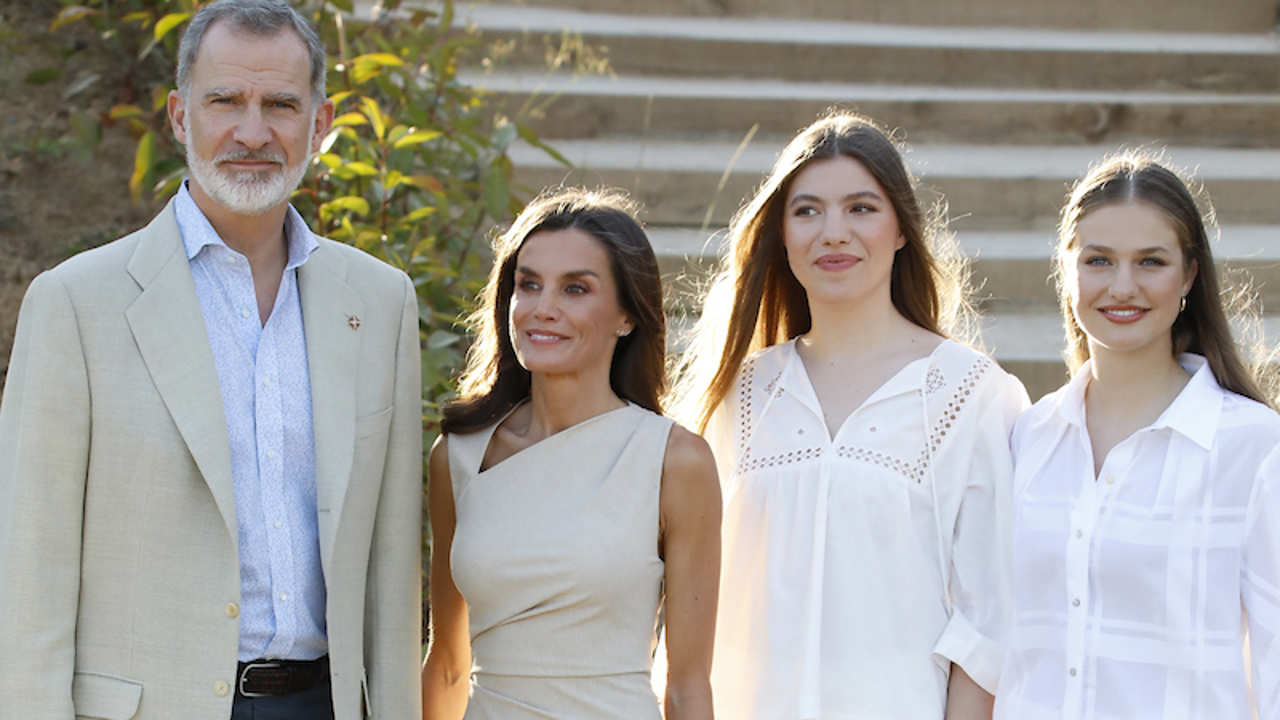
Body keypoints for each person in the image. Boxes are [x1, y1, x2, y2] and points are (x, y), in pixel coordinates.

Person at [0, 2, 422, 718]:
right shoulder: (74, 304)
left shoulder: (380, 303)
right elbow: (26, 573)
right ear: (178, 115)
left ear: (318, 125)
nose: (251, 132)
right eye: (225, 100)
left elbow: (391, 571)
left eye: (281, 105)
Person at [669, 110, 1028, 719]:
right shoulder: (741, 390)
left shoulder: (975, 395)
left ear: (901, 230)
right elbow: (694, 608)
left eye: (861, 208)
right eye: (807, 211)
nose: (833, 232)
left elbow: (987, 626)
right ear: (781, 235)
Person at [994, 152, 1280, 718]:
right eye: (1099, 261)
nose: (1123, 286)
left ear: (1189, 276)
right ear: (1066, 270)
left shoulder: (1254, 446)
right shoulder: (1027, 436)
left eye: (1150, 262)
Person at [420, 188, 721, 720]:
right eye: (528, 285)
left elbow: (687, 685)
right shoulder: (459, 457)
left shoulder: (675, 460)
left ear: (627, 315)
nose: (543, 309)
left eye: (575, 289)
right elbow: (446, 663)